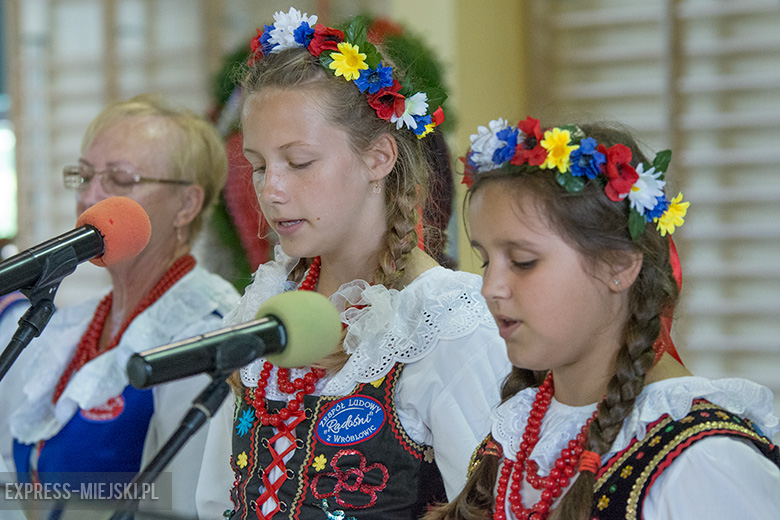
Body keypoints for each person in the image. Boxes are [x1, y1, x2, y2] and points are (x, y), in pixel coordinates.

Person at [195, 8, 510, 520]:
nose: (271, 191)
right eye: (258, 166)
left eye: (299, 163)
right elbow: (214, 501)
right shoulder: (264, 307)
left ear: (379, 158)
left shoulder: (444, 324)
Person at [425, 116, 780, 520]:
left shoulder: (701, 462)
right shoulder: (515, 434)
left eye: (523, 262)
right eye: (486, 260)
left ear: (619, 265)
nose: (491, 287)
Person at [0, 94, 240, 517]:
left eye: (119, 180)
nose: (90, 197)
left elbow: (188, 506)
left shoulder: (208, 331)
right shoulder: (66, 326)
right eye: (86, 175)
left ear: (187, 205)